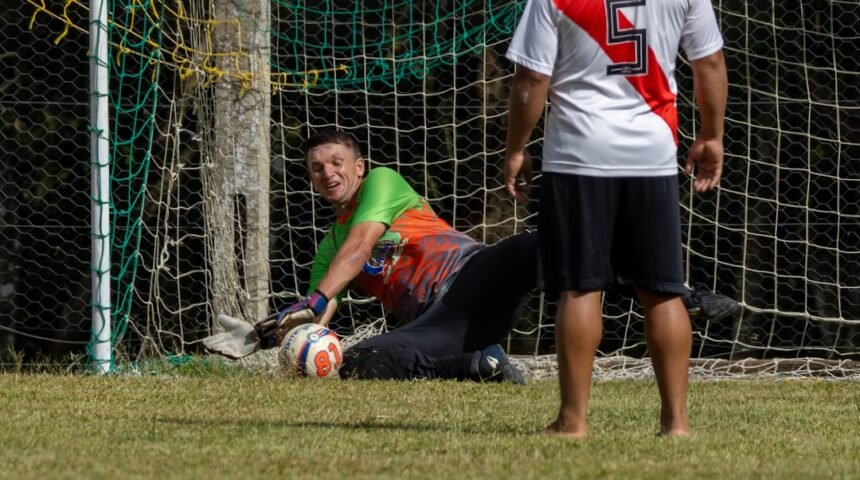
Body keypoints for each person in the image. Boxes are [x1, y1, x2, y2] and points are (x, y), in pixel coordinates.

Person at [203, 129, 736, 384]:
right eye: (317, 169)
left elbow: (361, 247)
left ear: (360, 167)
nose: (328, 174)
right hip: (449, 320)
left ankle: (682, 293)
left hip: (475, 273)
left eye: (336, 163)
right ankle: (483, 364)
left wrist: (321, 293)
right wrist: (271, 332)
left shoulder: (382, 185)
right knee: (362, 362)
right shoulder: (326, 251)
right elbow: (321, 312)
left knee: (547, 245)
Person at [503, 0, 728, 437]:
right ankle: (676, 424)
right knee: (662, 291)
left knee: (580, 287)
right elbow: (711, 61)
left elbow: (531, 78)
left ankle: (573, 421)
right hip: (653, 154)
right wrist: (712, 135)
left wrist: (516, 146)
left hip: (579, 154)